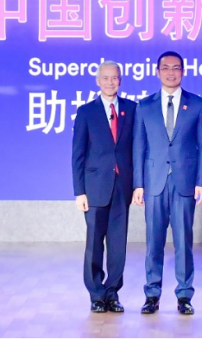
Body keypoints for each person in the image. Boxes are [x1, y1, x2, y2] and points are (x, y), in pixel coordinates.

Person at [132, 51, 202, 315]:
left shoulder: (197, 105)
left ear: (183, 72)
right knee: (153, 242)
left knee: (183, 242)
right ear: (157, 72)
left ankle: (184, 295)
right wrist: (138, 184)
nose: (171, 72)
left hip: (184, 182)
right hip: (154, 183)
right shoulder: (144, 106)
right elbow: (138, 148)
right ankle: (152, 294)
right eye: (165, 68)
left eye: (176, 68)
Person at [72, 61, 136, 313]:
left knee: (118, 243)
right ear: (98, 81)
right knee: (94, 243)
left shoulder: (132, 109)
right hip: (95, 187)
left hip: (123, 186)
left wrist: (138, 185)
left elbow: (137, 150)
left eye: (115, 78)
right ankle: (96, 294)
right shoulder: (86, 112)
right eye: (106, 78)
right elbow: (78, 155)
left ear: (121, 81)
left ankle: (112, 293)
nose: (110, 82)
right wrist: (79, 191)